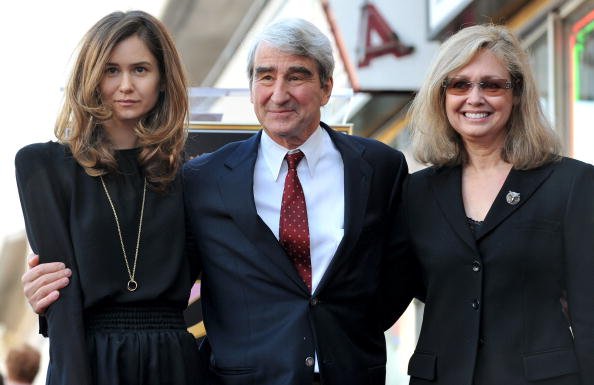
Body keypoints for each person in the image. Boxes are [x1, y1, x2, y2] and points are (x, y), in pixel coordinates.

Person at [22, 18, 412, 385]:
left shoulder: (380, 167)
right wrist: (45, 293)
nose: (279, 93)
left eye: (297, 76)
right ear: (252, 88)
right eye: (266, 77)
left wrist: (349, 331)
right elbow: (151, 269)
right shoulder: (206, 177)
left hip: (350, 371)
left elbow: (399, 274)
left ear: (326, 87)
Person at [15, 10, 204, 385]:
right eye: (111, 70)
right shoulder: (44, 167)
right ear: (91, 76)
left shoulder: (192, 174)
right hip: (90, 358)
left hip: (175, 361)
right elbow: (61, 299)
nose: (126, 85)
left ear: (163, 79)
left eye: (140, 69)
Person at [398, 24, 594, 384]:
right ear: (441, 96)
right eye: (459, 84)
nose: (475, 98)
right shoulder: (415, 193)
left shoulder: (571, 184)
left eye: (491, 84)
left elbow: (589, 312)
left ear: (516, 94)